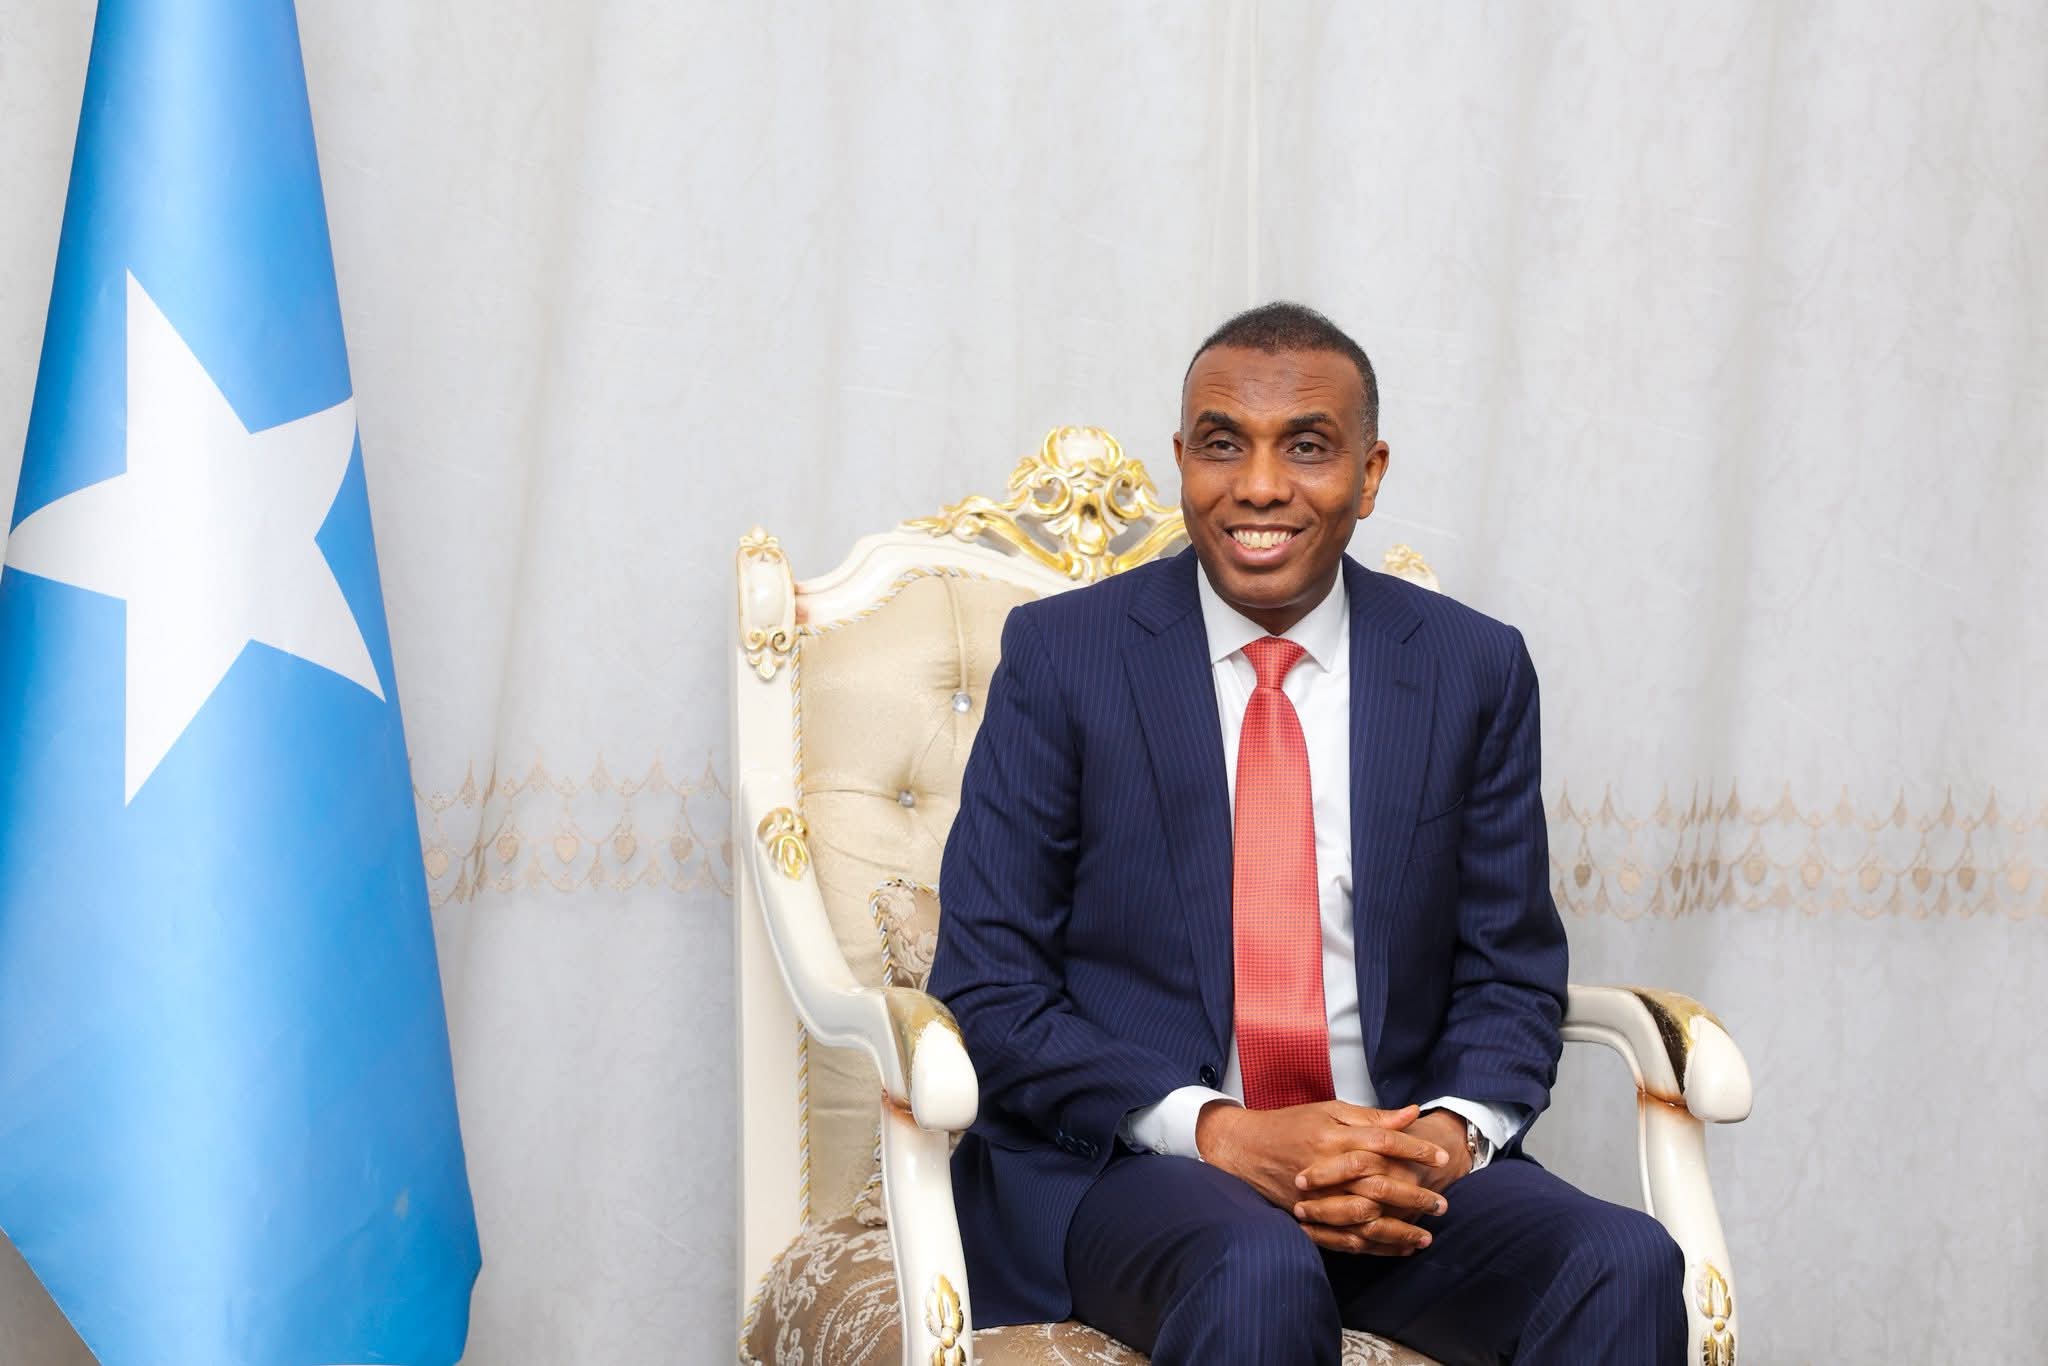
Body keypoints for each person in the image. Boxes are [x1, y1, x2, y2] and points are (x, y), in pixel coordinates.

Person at [927, 302, 1684, 1364]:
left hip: (1391, 1165)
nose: (1259, 486)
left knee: (1622, 1259)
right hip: (1141, 1168)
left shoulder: (1470, 668)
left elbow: (1508, 974)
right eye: (1222, 444)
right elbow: (991, 986)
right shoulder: (1067, 657)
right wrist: (1223, 1132)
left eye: (1308, 447)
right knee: (1257, 1265)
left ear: (1369, 475)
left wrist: (1441, 1141)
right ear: (1181, 460)